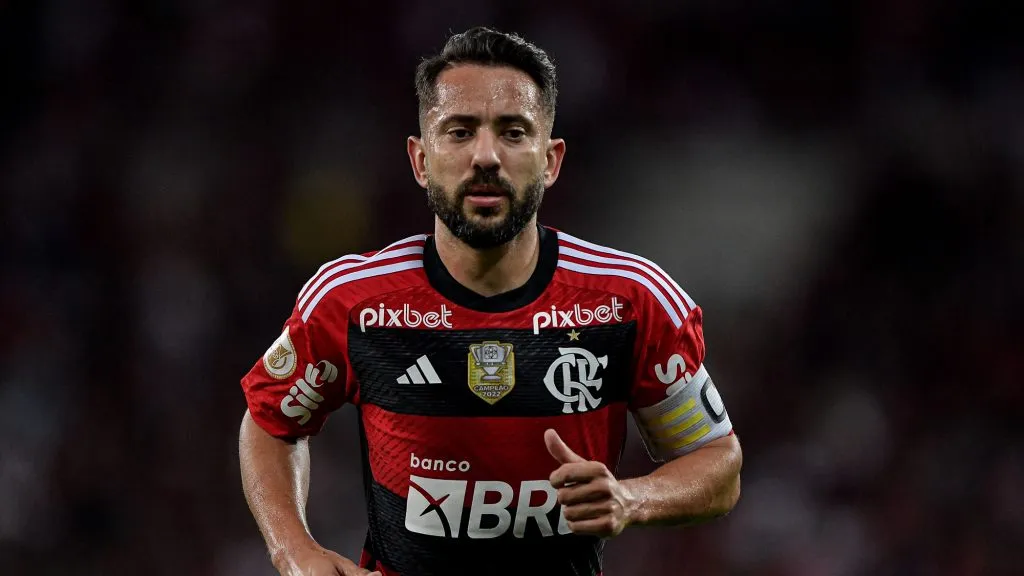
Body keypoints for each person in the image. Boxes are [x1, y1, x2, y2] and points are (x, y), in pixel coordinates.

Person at [239, 26, 743, 576]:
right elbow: (268, 423)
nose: (485, 155)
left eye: (512, 132)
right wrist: (294, 551)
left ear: (550, 161)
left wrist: (632, 499)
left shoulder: (631, 300)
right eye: (458, 132)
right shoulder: (352, 301)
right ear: (421, 159)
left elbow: (719, 466)